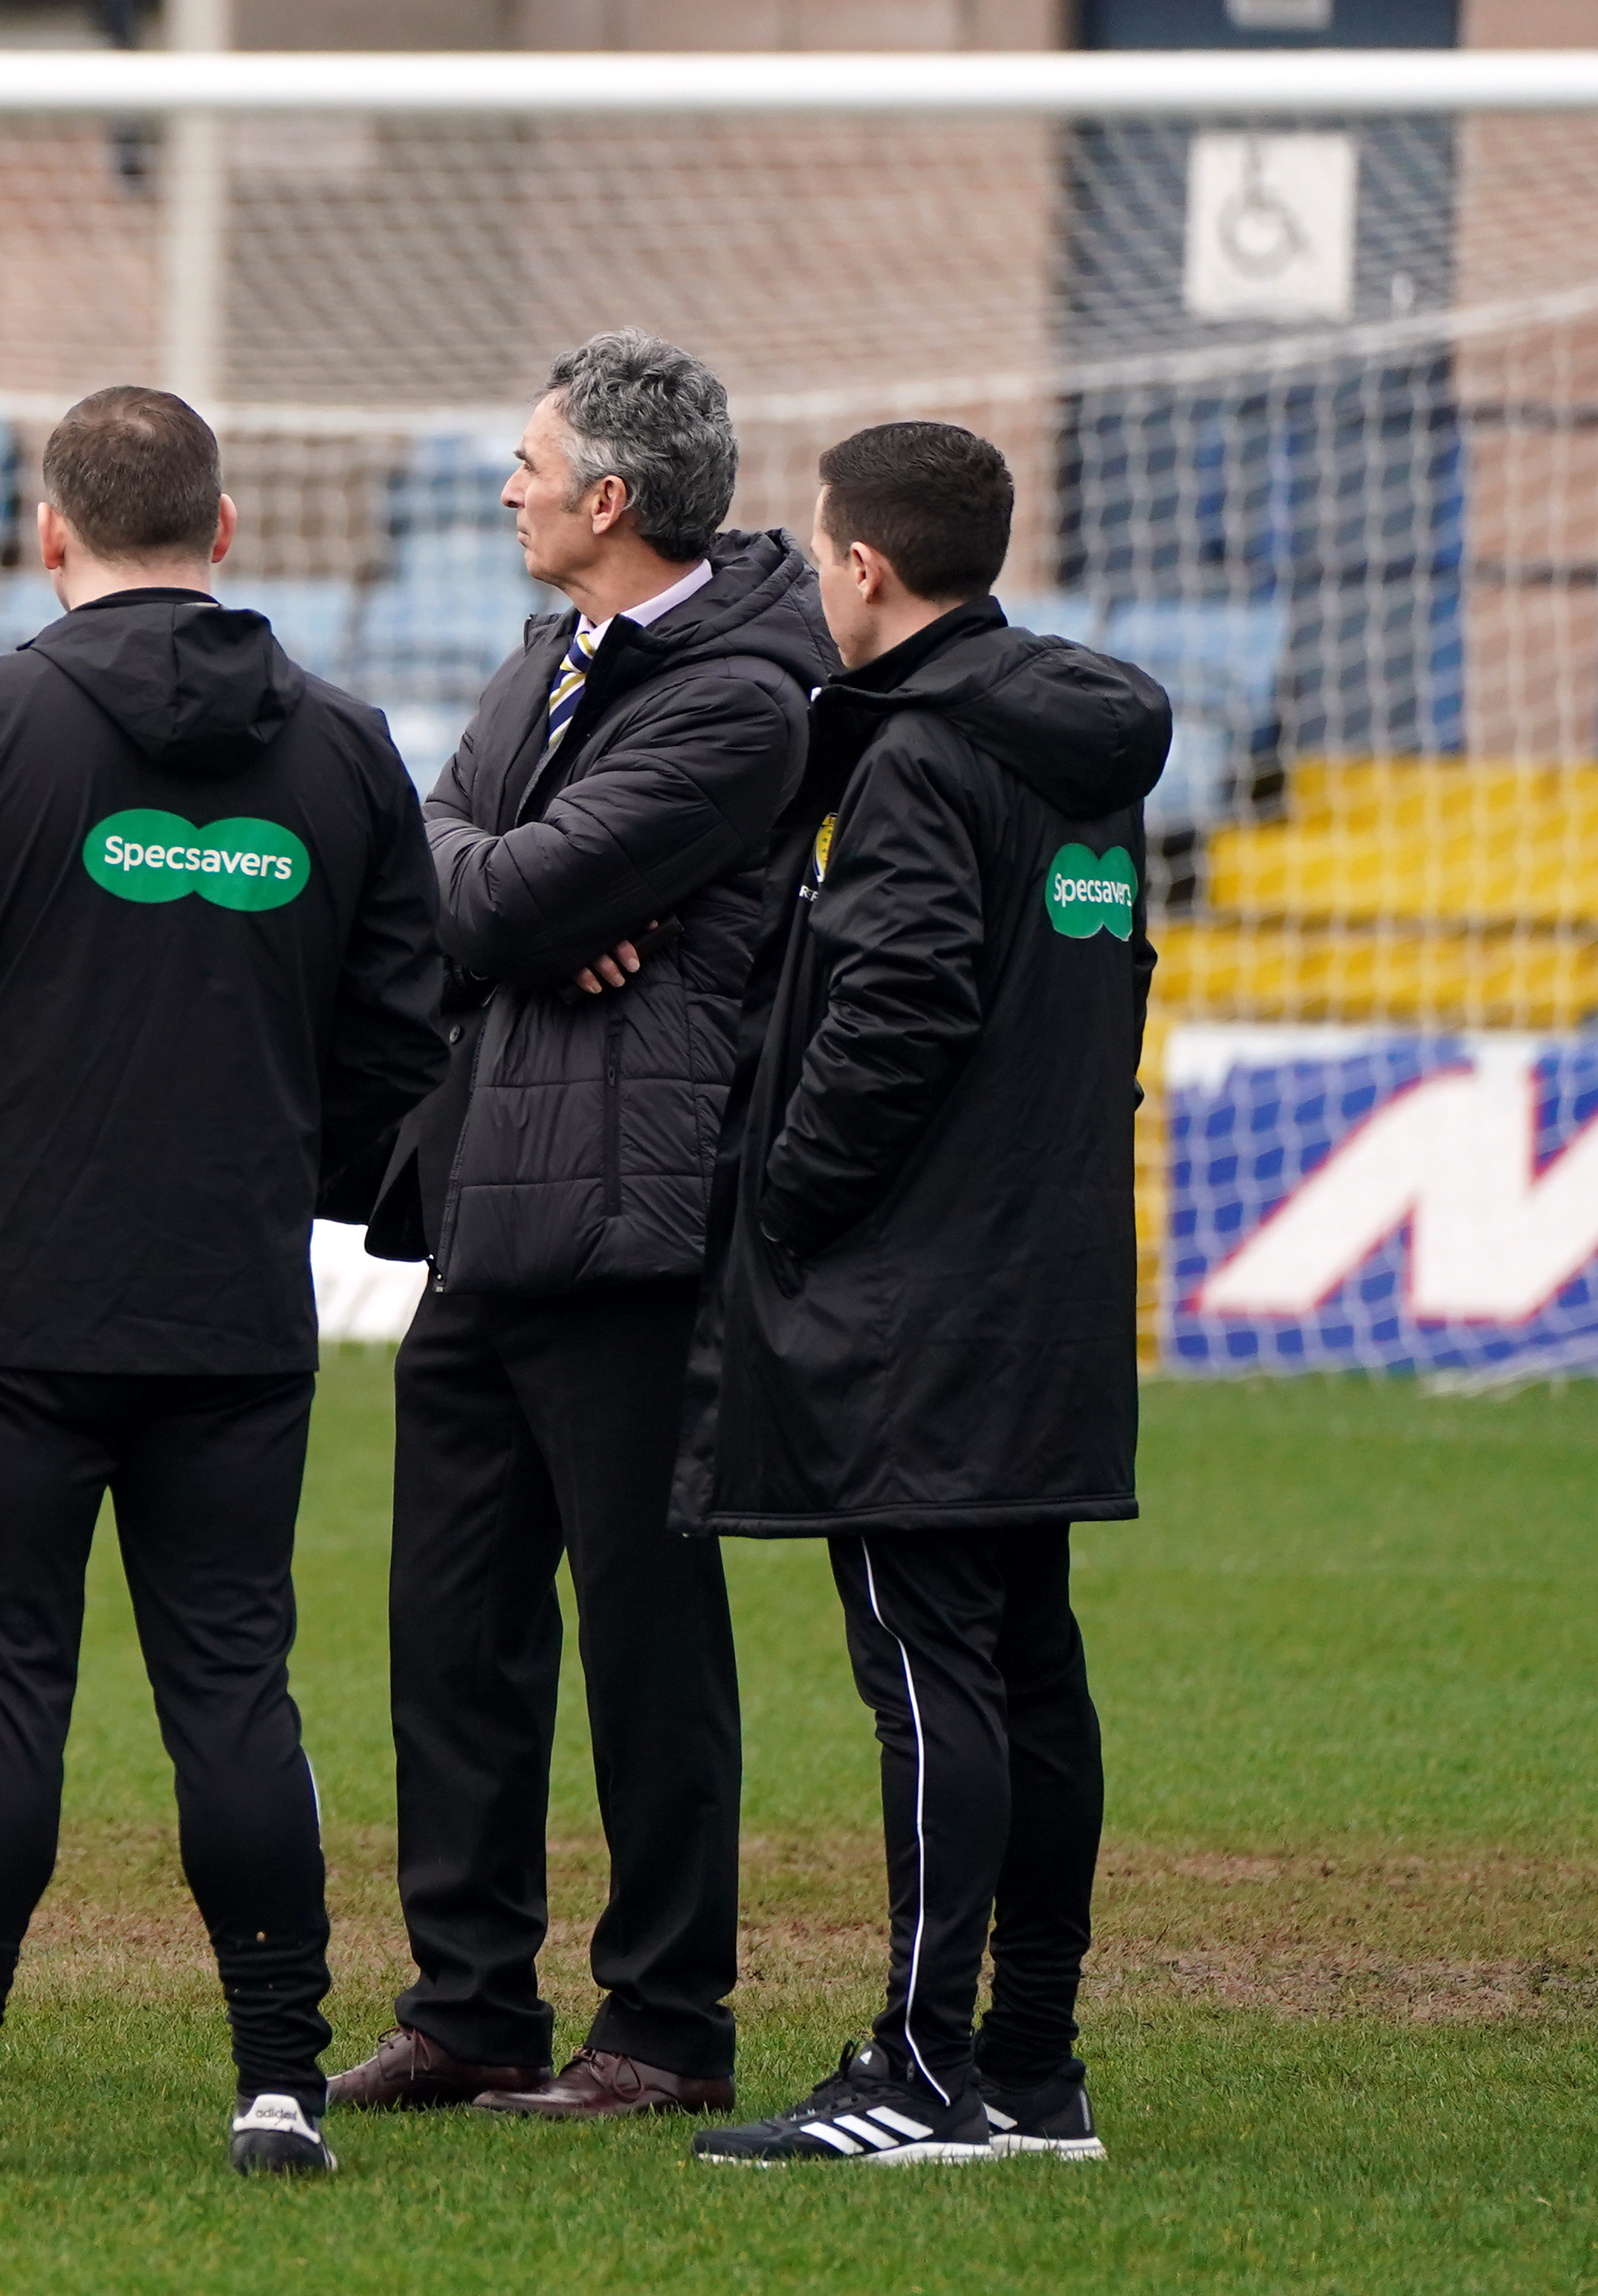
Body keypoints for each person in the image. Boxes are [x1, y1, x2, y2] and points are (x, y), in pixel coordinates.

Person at [0, 386, 442, 2176]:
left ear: (46, 532)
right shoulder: (344, 745)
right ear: (224, 532)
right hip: (231, 1305)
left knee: (0, 1693)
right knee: (235, 1690)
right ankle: (280, 2091)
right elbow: (401, 1041)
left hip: (6, 1301)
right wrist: (275, 1184)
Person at [331, 331, 831, 2126]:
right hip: (487, 1197)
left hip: (637, 1218)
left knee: (646, 1642)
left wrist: (512, 890)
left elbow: (498, 875)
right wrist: (509, 893)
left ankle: (666, 2028)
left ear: (610, 500)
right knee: (450, 1630)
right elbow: (438, 859)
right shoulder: (558, 652)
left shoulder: (742, 698)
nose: (507, 486)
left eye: (531, 463)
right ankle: (468, 2007)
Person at [688, 423, 1164, 2167]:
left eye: (820, 559)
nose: (818, 585)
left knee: (930, 1678)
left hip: (914, 1301)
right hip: (1045, 1282)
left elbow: (896, 1010)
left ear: (867, 570)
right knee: (1031, 1666)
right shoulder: (1088, 757)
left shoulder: (910, 760)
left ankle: (918, 2068)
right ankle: (1033, 2066)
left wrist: (792, 1206)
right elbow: (1114, 992)